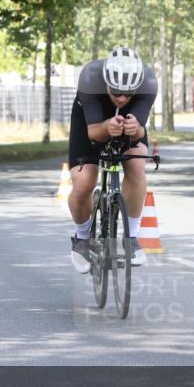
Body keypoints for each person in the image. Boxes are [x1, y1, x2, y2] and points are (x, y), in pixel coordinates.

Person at [67, 46, 158, 273]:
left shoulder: (148, 82)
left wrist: (134, 129)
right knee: (83, 182)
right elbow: (94, 133)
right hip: (91, 120)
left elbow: (138, 132)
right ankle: (82, 239)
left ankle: (131, 238)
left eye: (128, 94)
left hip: (129, 122)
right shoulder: (90, 77)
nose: (121, 98)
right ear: (106, 81)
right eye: (115, 92)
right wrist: (108, 126)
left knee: (137, 165)